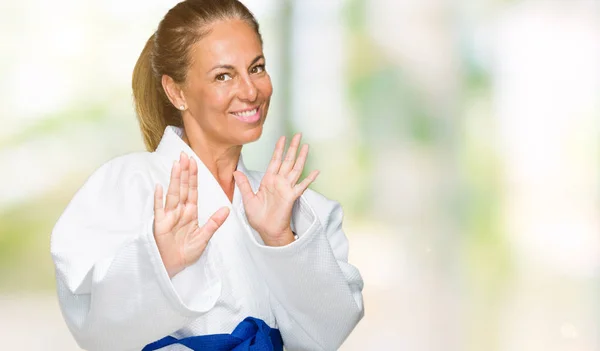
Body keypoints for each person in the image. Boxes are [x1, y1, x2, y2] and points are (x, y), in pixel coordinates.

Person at [50, 0, 364, 350]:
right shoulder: (125, 186)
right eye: (224, 75)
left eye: (257, 68)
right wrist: (158, 262)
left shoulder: (302, 210)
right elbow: (93, 330)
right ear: (176, 91)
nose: (250, 91)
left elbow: (329, 334)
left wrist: (280, 240)